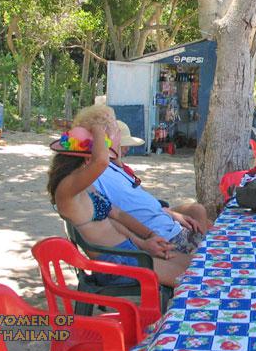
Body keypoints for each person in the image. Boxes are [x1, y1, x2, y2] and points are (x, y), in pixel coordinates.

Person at [46, 123, 189, 287]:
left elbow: (115, 217)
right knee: (192, 279)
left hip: (128, 252)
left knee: (194, 264)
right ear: (84, 159)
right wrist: (98, 128)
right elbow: (101, 162)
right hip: (115, 264)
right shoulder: (66, 190)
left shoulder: (86, 187)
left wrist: (146, 240)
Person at [73, 106, 210, 253]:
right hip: (165, 236)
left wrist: (169, 213)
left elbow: (138, 203)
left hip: (165, 226)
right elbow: (115, 216)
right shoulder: (94, 175)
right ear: (105, 137)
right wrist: (147, 238)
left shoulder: (112, 168)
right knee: (216, 239)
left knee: (208, 222)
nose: (120, 138)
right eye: (116, 130)